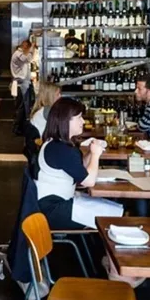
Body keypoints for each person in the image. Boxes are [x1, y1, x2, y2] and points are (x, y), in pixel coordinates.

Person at [35, 98, 123, 230]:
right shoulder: (61, 149)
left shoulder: (56, 144)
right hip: (53, 209)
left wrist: (90, 152)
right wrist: (95, 155)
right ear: (65, 121)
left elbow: (79, 169)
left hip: (53, 203)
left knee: (113, 208)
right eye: (79, 118)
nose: (83, 121)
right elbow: (88, 181)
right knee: (112, 216)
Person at [10, 40, 35, 136]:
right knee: (20, 108)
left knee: (23, 108)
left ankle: (20, 127)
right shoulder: (18, 55)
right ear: (25, 47)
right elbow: (27, 59)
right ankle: (16, 128)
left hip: (23, 83)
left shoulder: (20, 54)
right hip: (20, 85)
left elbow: (28, 60)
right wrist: (32, 48)